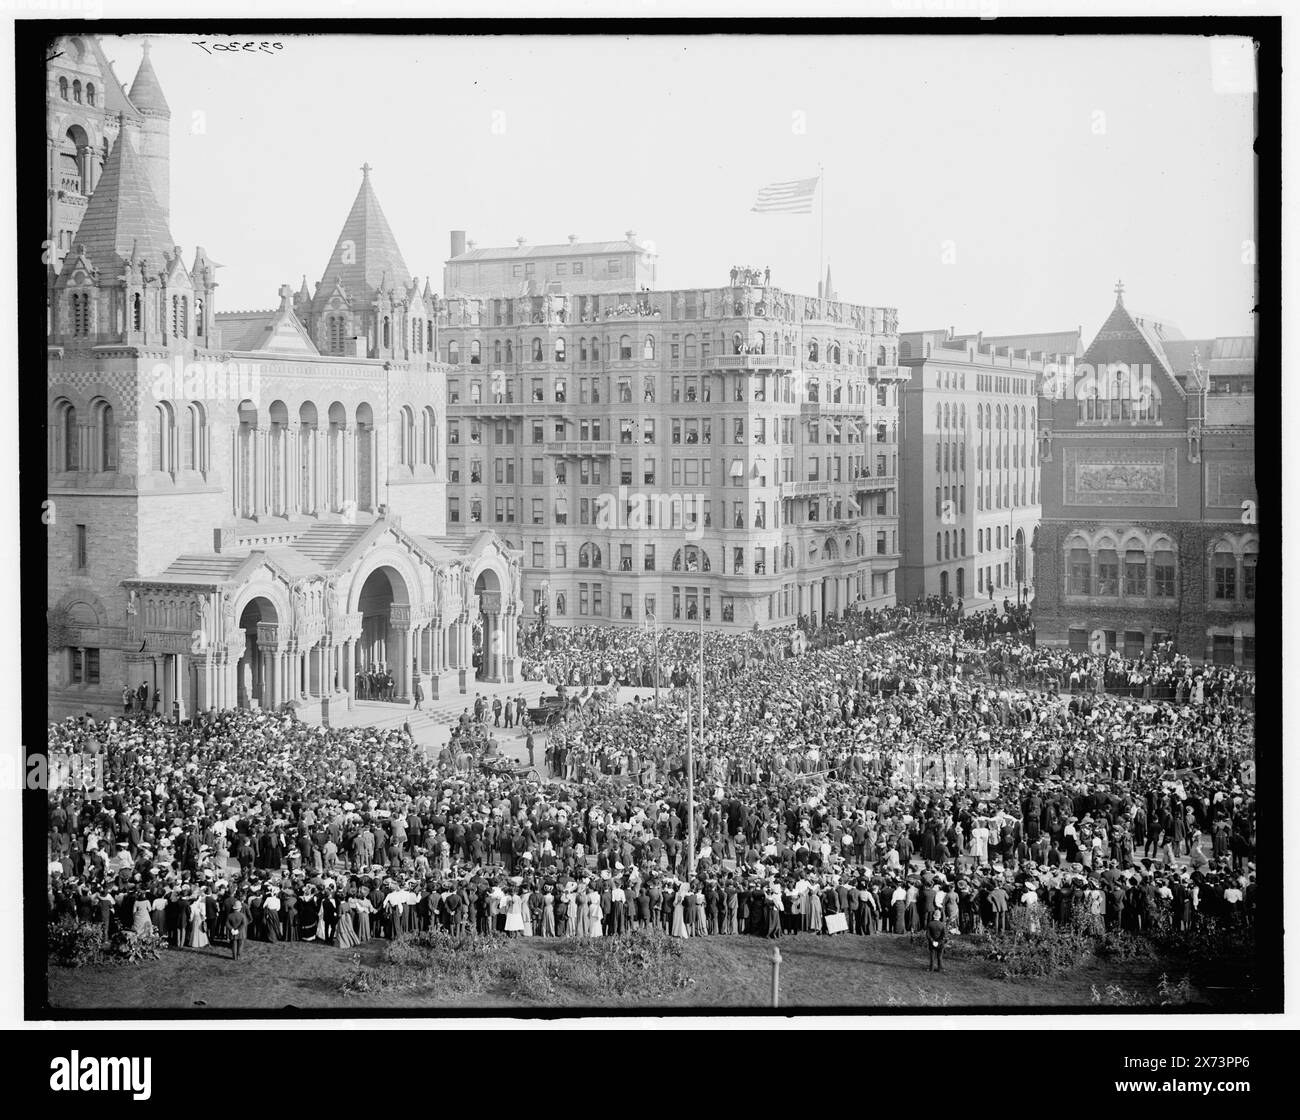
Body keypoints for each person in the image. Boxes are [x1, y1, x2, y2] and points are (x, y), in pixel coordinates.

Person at [926, 908, 946, 972]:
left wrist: (932, 941)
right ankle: (940, 968)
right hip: (940, 943)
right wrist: (939, 942)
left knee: (932, 956)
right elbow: (944, 935)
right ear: (940, 916)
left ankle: (931, 968)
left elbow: (928, 935)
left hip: (932, 943)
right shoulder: (942, 925)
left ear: (933, 915)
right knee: (939, 957)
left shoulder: (930, 924)